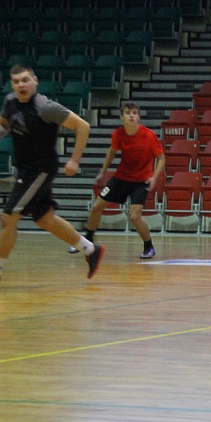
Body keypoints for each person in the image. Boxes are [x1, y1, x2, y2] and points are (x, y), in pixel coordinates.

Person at [0, 66, 104, 281]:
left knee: (9, 217)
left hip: (40, 169)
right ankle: (90, 250)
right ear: (12, 85)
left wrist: (75, 160)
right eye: (17, 81)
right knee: (45, 219)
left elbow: (82, 126)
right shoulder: (10, 102)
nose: (21, 85)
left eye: (25, 80)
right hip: (26, 168)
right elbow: (4, 125)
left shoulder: (45, 107)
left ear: (35, 81)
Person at [68, 102, 165, 260]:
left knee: (135, 217)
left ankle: (149, 247)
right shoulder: (118, 134)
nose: (132, 115)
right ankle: (87, 242)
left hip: (140, 181)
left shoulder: (148, 135)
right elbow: (111, 153)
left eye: (134, 112)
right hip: (120, 178)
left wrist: (154, 177)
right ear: (122, 117)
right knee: (96, 207)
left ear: (138, 116)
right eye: (128, 113)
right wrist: (103, 172)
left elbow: (161, 158)